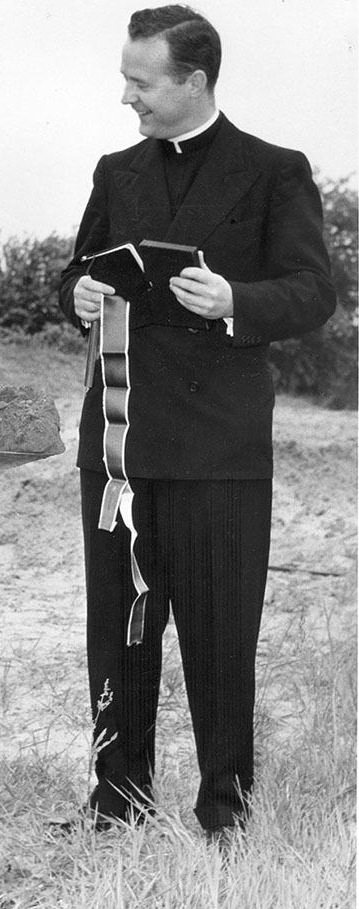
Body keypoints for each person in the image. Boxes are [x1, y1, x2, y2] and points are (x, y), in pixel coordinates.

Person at [58, 5, 335, 842]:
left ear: (195, 81)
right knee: (118, 635)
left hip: (219, 452)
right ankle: (118, 800)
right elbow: (82, 266)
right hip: (120, 443)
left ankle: (226, 812)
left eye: (140, 83)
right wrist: (76, 294)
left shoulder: (275, 170)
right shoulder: (116, 169)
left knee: (220, 642)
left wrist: (233, 302)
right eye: (125, 81)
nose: (126, 98)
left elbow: (314, 291)